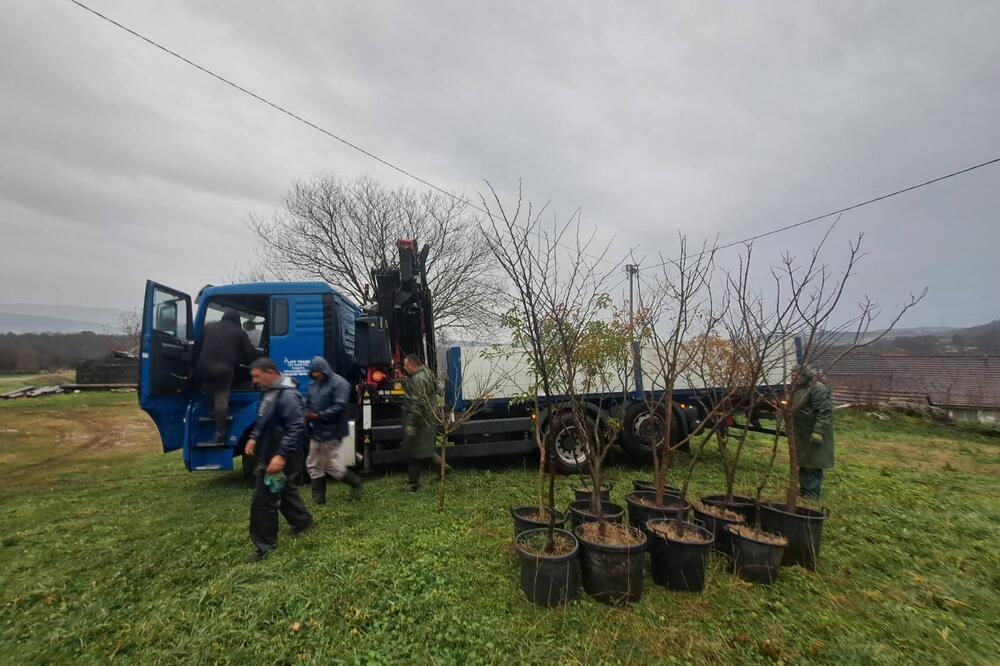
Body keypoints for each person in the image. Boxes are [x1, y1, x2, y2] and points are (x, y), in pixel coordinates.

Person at [243, 357, 312, 562]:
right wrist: (254, 438)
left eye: (256, 376)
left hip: (280, 456)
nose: (254, 381)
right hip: (270, 453)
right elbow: (264, 418)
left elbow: (297, 427)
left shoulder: (288, 396)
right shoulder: (270, 393)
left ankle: (264, 546)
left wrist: (281, 455)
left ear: (270, 372)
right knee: (283, 489)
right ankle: (302, 522)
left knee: (263, 501)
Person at [305, 356, 363, 502]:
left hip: (333, 430)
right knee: (313, 463)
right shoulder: (313, 385)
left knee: (327, 463)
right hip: (317, 430)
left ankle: (355, 481)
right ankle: (318, 499)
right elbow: (309, 402)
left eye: (316, 372)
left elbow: (340, 406)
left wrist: (318, 416)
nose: (314, 375)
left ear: (323, 369)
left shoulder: (339, 383)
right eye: (312, 373)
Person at [195, 309, 256, 442]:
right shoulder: (239, 332)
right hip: (224, 370)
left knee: (210, 388)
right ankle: (220, 431)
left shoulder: (208, 327)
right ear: (237, 320)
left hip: (204, 367)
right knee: (221, 397)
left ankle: (212, 411)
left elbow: (197, 346)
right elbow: (249, 355)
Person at [790, 364, 834, 500]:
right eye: (792, 374)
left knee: (813, 463)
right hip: (802, 433)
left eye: (795, 374)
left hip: (813, 433)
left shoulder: (817, 389)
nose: (792, 377)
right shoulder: (798, 389)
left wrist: (818, 431)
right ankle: (804, 490)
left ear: (803, 375)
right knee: (804, 462)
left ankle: (812, 493)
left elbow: (824, 411)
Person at [401, 354, 437, 491]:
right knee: (424, 449)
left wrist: (410, 422)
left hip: (418, 420)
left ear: (412, 364)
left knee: (413, 452)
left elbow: (417, 402)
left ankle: (413, 484)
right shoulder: (427, 373)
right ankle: (444, 469)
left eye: (406, 365)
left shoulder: (418, 379)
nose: (404, 368)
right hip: (426, 419)